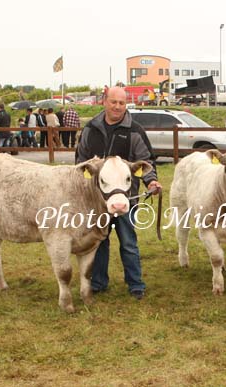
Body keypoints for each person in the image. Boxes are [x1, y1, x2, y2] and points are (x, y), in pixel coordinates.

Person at [75, 86, 162, 300]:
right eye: (113, 102)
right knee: (98, 242)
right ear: (104, 101)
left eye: (122, 103)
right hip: (98, 201)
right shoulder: (91, 129)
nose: (117, 107)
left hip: (126, 200)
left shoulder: (134, 130)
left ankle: (135, 284)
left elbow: (146, 160)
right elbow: (81, 161)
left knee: (129, 242)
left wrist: (151, 181)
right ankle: (98, 282)